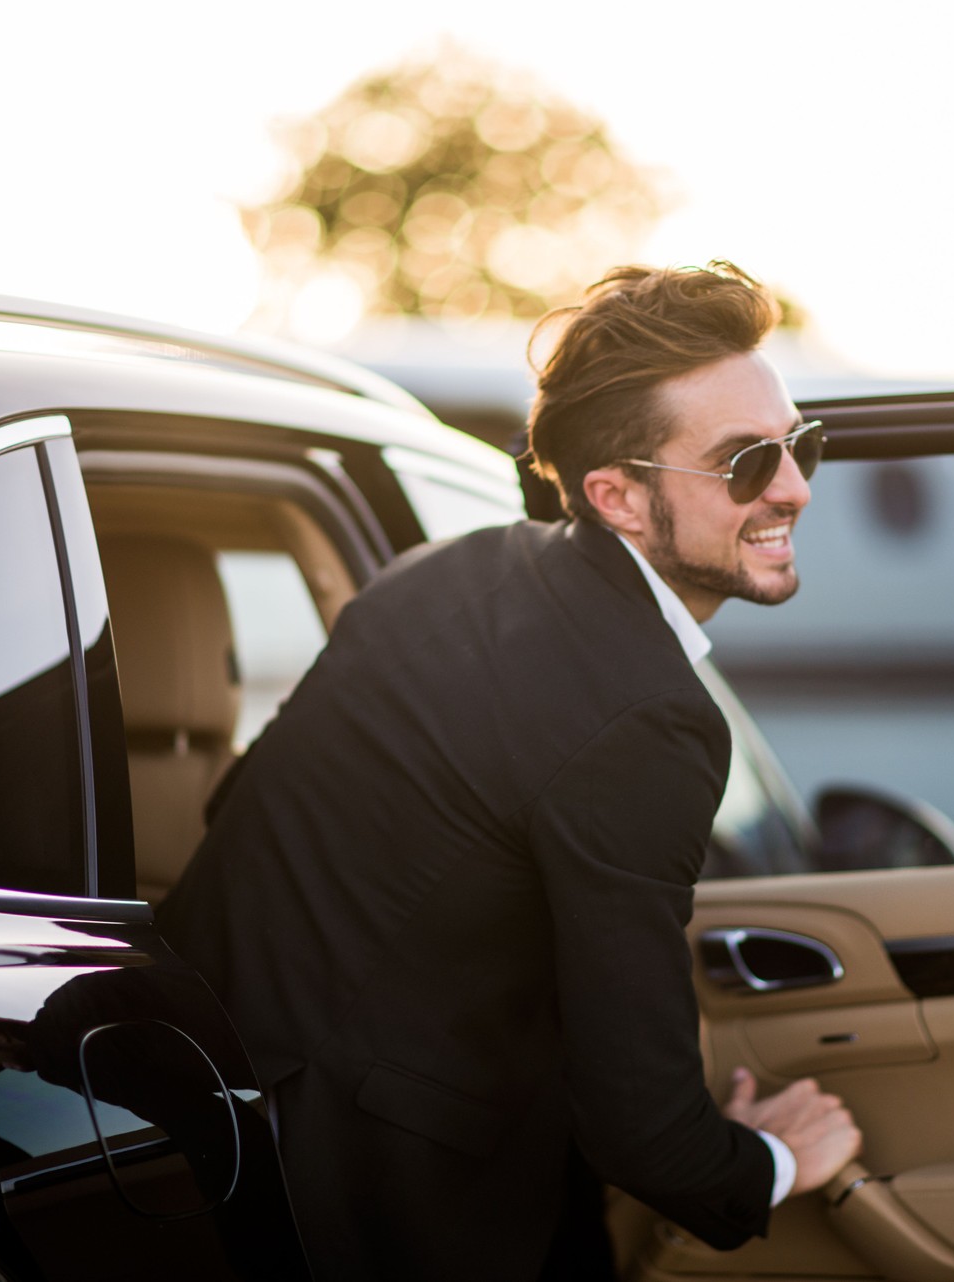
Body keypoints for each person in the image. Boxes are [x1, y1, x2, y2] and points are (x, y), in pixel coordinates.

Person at [160, 261, 862, 1280]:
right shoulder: (650, 719)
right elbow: (644, 1132)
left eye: (802, 444)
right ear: (617, 495)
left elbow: (257, 813)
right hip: (399, 1217)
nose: (794, 486)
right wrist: (772, 1160)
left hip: (194, 1137)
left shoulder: (446, 572)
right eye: (747, 461)